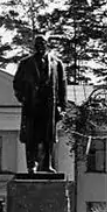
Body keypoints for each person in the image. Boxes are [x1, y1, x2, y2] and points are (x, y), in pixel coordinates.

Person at [13, 34, 67, 174]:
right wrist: (23, 98)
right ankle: (31, 165)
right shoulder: (25, 63)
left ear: (47, 45)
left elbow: (62, 86)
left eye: (42, 43)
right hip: (32, 106)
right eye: (37, 44)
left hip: (49, 107)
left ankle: (47, 165)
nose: (40, 46)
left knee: (48, 138)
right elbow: (17, 83)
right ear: (34, 46)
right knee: (31, 138)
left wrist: (62, 107)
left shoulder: (57, 64)